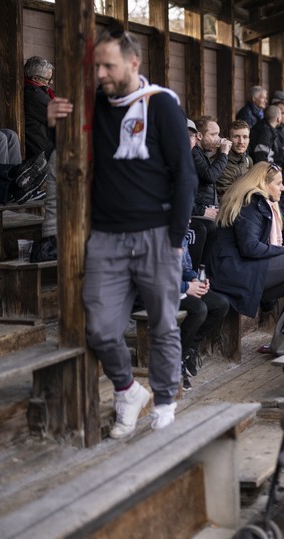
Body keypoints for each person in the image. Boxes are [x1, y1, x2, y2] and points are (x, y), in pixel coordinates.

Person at [51, 28, 197, 436]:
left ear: (133, 64)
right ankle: (128, 389)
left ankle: (165, 402)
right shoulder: (95, 104)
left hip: (156, 235)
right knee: (99, 326)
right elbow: (70, 155)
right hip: (108, 237)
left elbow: (185, 176)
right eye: (96, 65)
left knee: (163, 323)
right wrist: (54, 125)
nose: (100, 73)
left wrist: (174, 240)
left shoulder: (162, 105)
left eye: (108, 66)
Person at [208, 162, 284, 319]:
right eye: (279, 183)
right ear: (263, 183)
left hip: (245, 270)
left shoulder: (257, 202)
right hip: (234, 273)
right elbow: (250, 247)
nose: (283, 188)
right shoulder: (250, 203)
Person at [178, 226, 230, 391]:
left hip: (181, 286)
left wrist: (195, 279)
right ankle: (177, 361)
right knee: (199, 309)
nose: (189, 222)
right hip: (157, 292)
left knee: (220, 304)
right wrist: (186, 287)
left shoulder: (180, 232)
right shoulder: (155, 234)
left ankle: (189, 348)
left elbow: (185, 268)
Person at [24, 56, 59, 261]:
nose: (50, 83)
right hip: (41, 151)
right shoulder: (33, 94)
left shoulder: (41, 92)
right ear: (36, 78)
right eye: (47, 80)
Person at [216, 120, 252, 198]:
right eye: (236, 137)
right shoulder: (217, 162)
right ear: (228, 139)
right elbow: (224, 194)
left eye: (245, 137)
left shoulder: (248, 160)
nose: (241, 142)